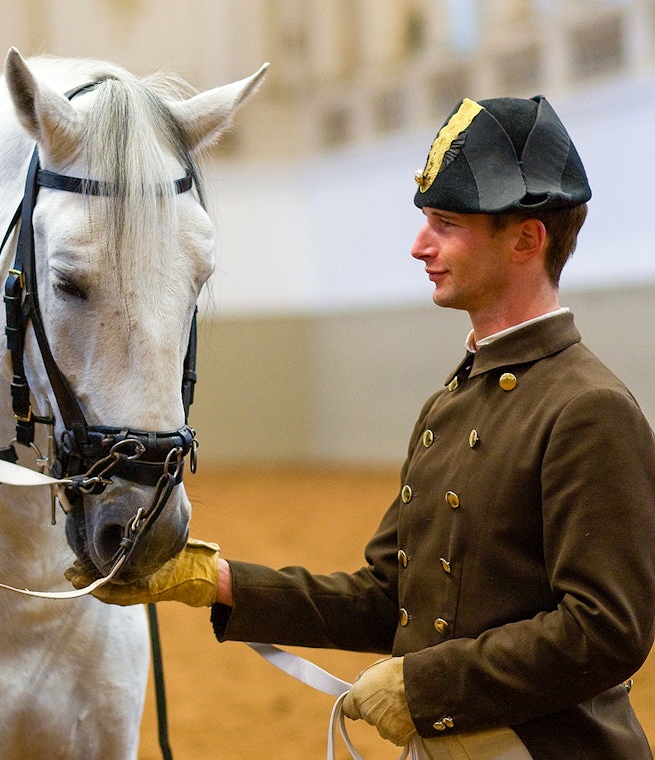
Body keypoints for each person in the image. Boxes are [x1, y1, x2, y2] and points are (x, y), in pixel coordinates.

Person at [69, 95, 655, 759]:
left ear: (526, 239)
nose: (419, 245)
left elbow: (608, 630)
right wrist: (213, 580)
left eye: (446, 223)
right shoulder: (450, 406)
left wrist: (426, 687)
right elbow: (389, 599)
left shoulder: (589, 408)